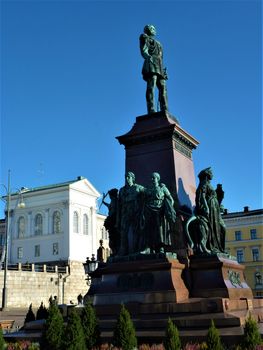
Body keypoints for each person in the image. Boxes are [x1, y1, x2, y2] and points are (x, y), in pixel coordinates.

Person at [191, 167, 226, 254]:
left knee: (222, 228)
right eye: (211, 173)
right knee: (217, 227)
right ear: (207, 175)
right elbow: (202, 196)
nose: (212, 174)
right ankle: (212, 246)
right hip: (210, 209)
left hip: (214, 210)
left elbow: (213, 197)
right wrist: (206, 207)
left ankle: (219, 247)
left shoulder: (208, 184)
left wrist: (219, 193)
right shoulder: (203, 183)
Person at [141, 172, 176, 253]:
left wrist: (169, 209)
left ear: (158, 179)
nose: (152, 179)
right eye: (151, 178)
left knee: (159, 229)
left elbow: (171, 199)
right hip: (149, 210)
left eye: (154, 178)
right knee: (149, 229)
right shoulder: (148, 189)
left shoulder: (163, 188)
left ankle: (161, 247)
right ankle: (149, 247)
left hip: (160, 211)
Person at [139, 24, 168, 114]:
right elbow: (144, 50)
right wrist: (148, 57)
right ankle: (151, 109)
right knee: (151, 85)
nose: (154, 30)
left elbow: (161, 58)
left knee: (163, 87)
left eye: (154, 28)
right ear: (147, 30)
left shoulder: (159, 44)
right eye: (152, 28)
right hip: (151, 62)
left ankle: (165, 108)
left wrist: (163, 70)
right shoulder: (144, 37)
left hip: (159, 65)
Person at [117, 172, 144, 255]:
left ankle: (136, 249)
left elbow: (148, 193)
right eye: (126, 177)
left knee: (136, 231)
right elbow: (119, 205)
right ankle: (123, 250)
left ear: (133, 178)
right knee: (123, 231)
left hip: (135, 211)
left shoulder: (138, 188)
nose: (127, 179)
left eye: (128, 177)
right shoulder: (122, 190)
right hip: (125, 212)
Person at [102, 188, 119, 256]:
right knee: (112, 237)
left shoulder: (116, 201)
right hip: (111, 220)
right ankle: (114, 251)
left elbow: (115, 210)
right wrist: (103, 202)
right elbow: (109, 206)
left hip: (114, 220)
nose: (110, 197)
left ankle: (115, 251)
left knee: (114, 237)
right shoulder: (113, 201)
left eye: (110, 196)